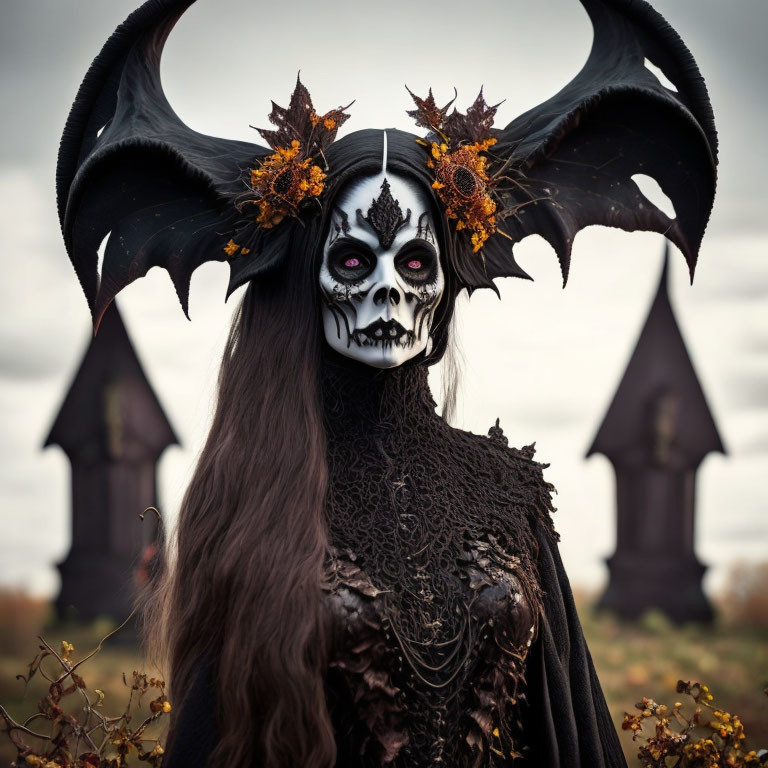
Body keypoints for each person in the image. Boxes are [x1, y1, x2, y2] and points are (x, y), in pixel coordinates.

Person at [56, 0, 717, 765]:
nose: (385, 294)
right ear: (309, 276)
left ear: (447, 277)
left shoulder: (506, 493)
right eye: (350, 262)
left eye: (411, 262)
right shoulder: (257, 495)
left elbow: (571, 725)